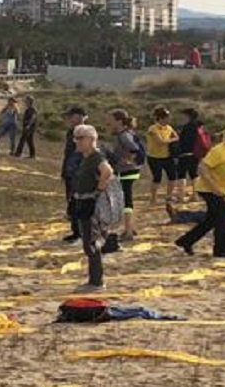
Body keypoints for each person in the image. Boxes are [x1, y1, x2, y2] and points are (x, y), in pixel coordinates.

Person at [175, 124, 225, 259]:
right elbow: (202, 168)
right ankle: (220, 250)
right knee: (223, 218)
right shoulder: (219, 150)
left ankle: (186, 241)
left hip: (220, 189)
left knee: (211, 220)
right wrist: (215, 188)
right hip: (208, 189)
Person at [67, 124, 118, 288]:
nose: (77, 141)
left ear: (91, 139)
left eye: (81, 138)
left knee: (90, 241)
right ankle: (95, 277)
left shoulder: (96, 157)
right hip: (83, 200)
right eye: (76, 138)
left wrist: (98, 191)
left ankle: (96, 281)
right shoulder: (86, 158)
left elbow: (107, 171)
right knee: (88, 240)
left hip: (91, 202)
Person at [107, 109, 145, 241]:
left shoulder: (124, 135)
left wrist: (128, 160)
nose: (109, 122)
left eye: (111, 119)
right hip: (129, 170)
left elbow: (134, 148)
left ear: (119, 121)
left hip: (127, 171)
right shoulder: (126, 133)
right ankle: (131, 227)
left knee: (126, 200)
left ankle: (128, 231)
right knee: (127, 199)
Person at [59, 106, 87, 240]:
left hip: (78, 171)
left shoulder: (83, 132)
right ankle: (77, 231)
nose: (69, 119)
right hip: (71, 170)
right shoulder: (73, 131)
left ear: (79, 117)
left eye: (71, 116)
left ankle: (79, 232)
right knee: (72, 200)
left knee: (77, 201)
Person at [146, 106, 179, 211]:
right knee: (157, 178)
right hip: (154, 157)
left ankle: (169, 197)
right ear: (160, 118)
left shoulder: (169, 128)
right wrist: (172, 140)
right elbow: (160, 142)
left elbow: (176, 137)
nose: (168, 120)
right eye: (166, 118)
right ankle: (153, 198)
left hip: (167, 156)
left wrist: (172, 139)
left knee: (172, 177)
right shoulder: (153, 128)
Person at [173, 107, 208, 200]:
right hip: (196, 153)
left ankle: (181, 196)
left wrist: (177, 153)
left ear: (188, 116)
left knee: (181, 175)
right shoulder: (199, 126)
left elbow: (184, 142)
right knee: (194, 175)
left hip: (185, 153)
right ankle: (195, 196)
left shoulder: (187, 127)